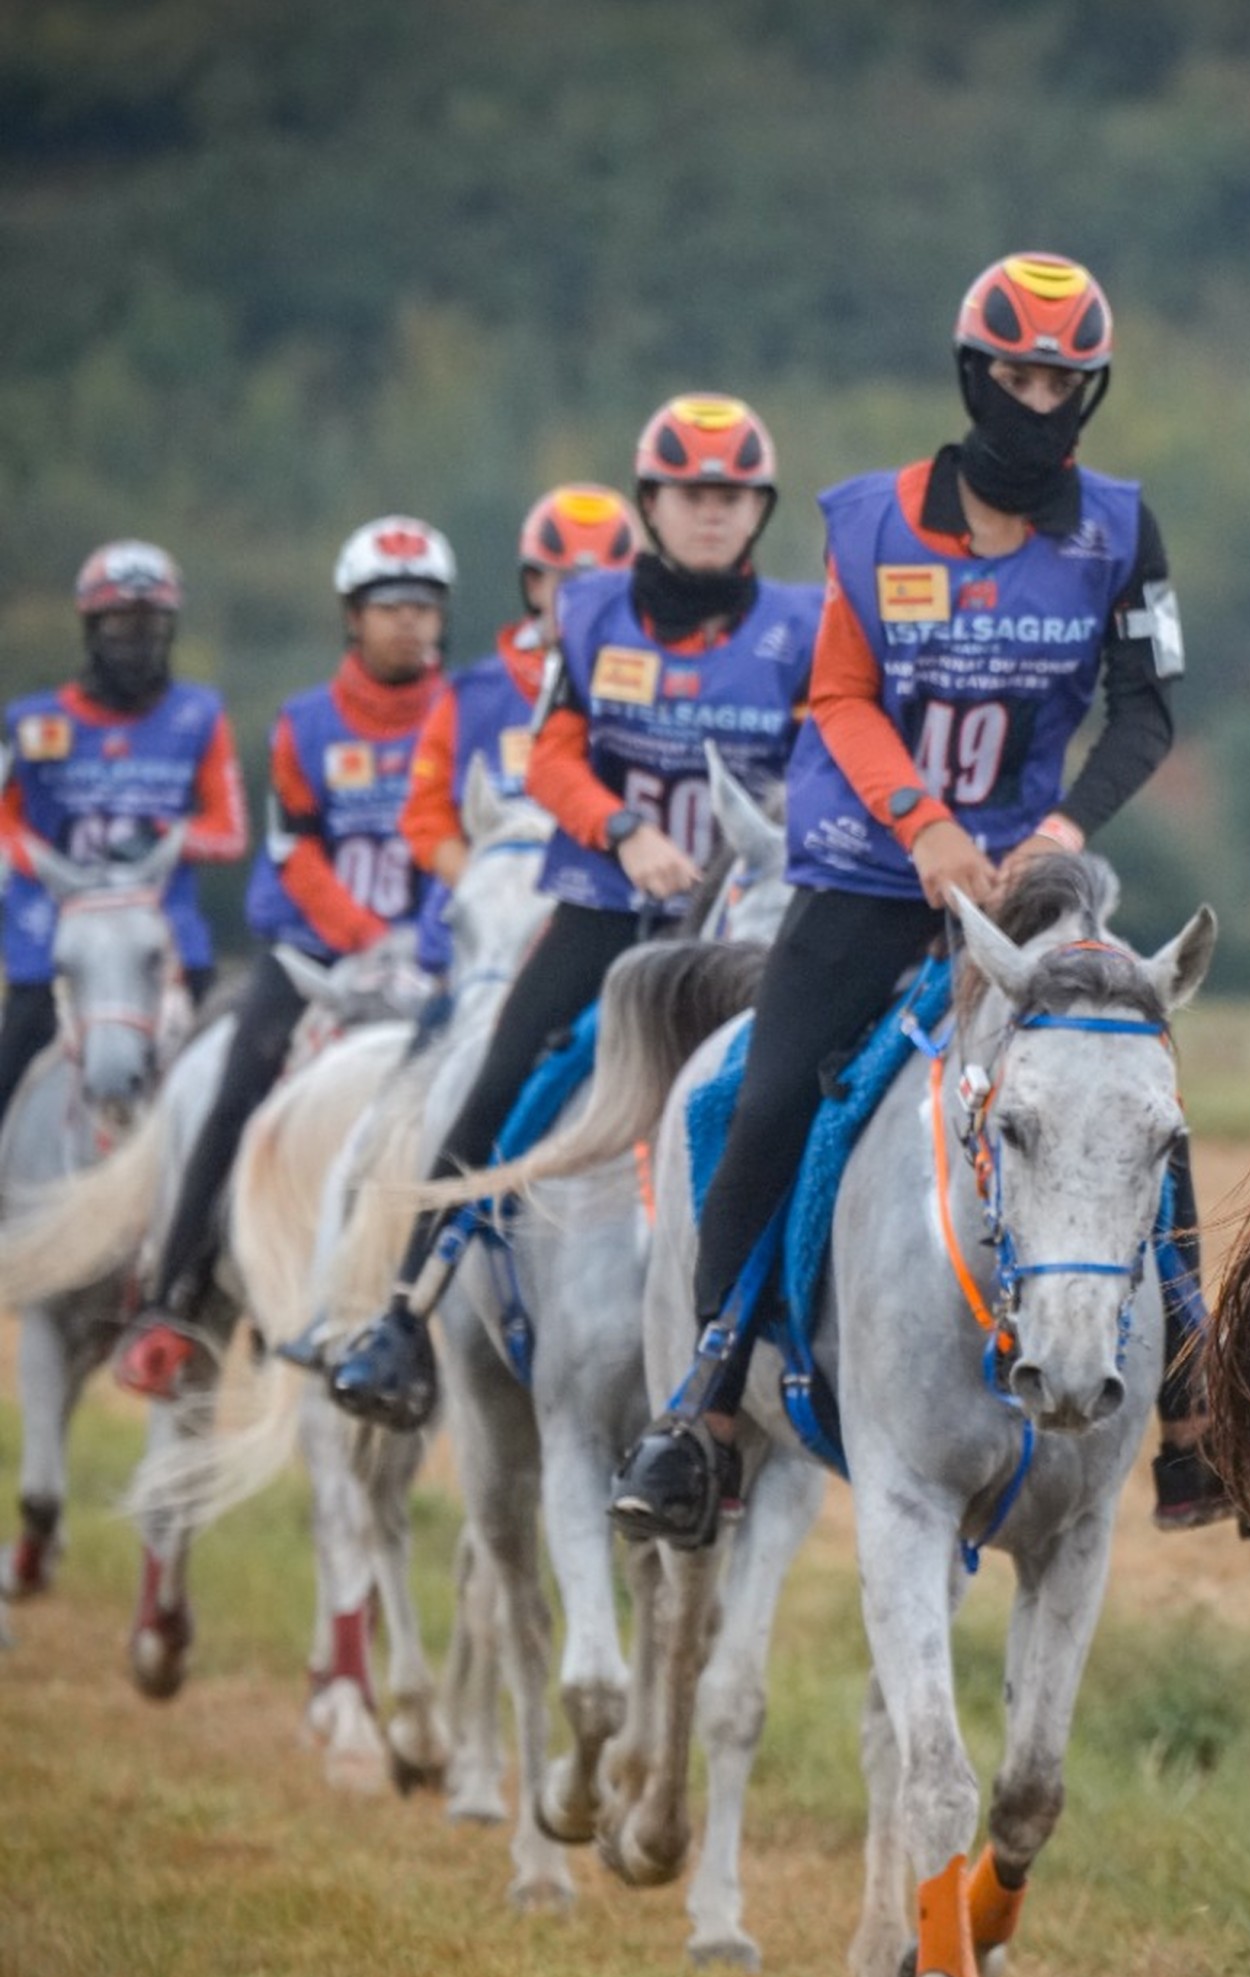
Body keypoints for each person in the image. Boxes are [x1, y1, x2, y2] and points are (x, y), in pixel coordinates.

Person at [605, 251, 1219, 1552]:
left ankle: (1197, 1410)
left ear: (1091, 391)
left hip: (1036, 878)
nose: (1037, 398)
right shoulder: (870, 523)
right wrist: (924, 827)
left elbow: (1148, 709)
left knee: (1127, 1084)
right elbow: (837, 697)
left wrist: (1060, 827)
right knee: (748, 1098)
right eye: (1016, 373)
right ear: (972, 373)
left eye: (1064, 379)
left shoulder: (1120, 528)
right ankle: (706, 1406)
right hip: (869, 866)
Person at [326, 400, 816, 1434]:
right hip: (604, 906)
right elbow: (548, 757)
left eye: (733, 497)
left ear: (758, 509)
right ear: (653, 503)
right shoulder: (591, 611)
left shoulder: (800, 625)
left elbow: (827, 759)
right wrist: (622, 826)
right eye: (693, 496)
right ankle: (403, 1316)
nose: (713, 515)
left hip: (740, 925)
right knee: (497, 1076)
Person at [114, 518, 454, 1397]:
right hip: (316, 950)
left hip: (437, 947)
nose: (411, 623)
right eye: (391, 607)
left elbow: (468, 840)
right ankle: (173, 1296)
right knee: (237, 1078)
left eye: (424, 606)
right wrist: (363, 936)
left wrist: (426, 935)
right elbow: (294, 850)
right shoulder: (304, 724)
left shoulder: (465, 713)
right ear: (352, 614)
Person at [0, 541, 245, 1136]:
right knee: (25, 1029)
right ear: (91, 629)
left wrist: (166, 834)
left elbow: (231, 832)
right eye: (120, 625)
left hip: (161, 918)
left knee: (225, 1046)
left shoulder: (200, 715)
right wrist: (42, 861)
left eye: (152, 626)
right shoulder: (32, 723)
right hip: (58, 915)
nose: (137, 642)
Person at [401, 483, 639, 887]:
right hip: (483, 920)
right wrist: (489, 888)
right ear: (533, 585)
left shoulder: (651, 685)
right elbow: (425, 819)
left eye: (606, 584)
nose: (587, 599)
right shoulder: (470, 697)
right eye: (569, 582)